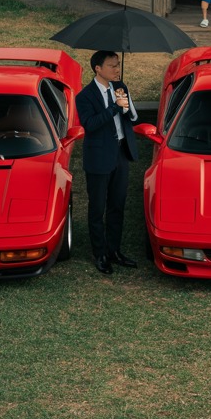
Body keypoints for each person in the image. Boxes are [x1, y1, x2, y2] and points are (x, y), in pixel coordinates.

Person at [75, 50, 140, 275]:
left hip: (120, 154)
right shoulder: (84, 96)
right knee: (97, 208)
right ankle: (100, 253)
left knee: (117, 206)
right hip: (99, 157)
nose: (117, 69)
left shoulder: (120, 87)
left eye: (118, 65)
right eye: (112, 66)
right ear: (98, 69)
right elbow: (90, 124)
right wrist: (113, 107)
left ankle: (114, 250)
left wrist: (126, 103)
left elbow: (132, 117)